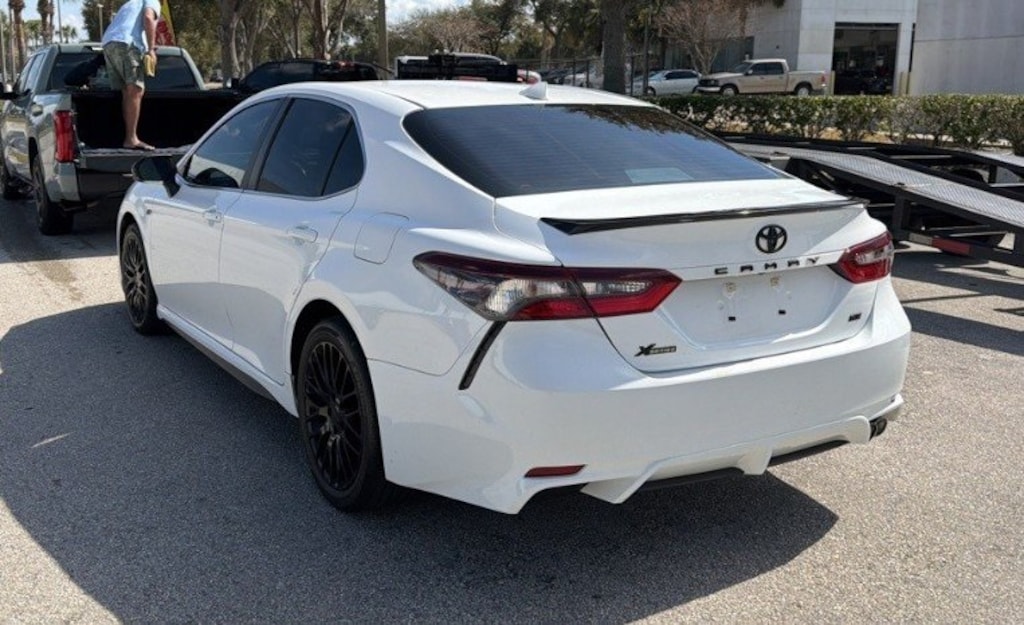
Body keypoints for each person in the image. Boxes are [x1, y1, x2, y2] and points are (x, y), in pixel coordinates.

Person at [101, 0, 161, 150]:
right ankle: (131, 139)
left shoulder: (130, 3)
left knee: (127, 91)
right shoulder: (152, 1)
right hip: (127, 43)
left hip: (109, 43)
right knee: (136, 90)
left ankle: (128, 137)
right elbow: (148, 18)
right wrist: (151, 49)